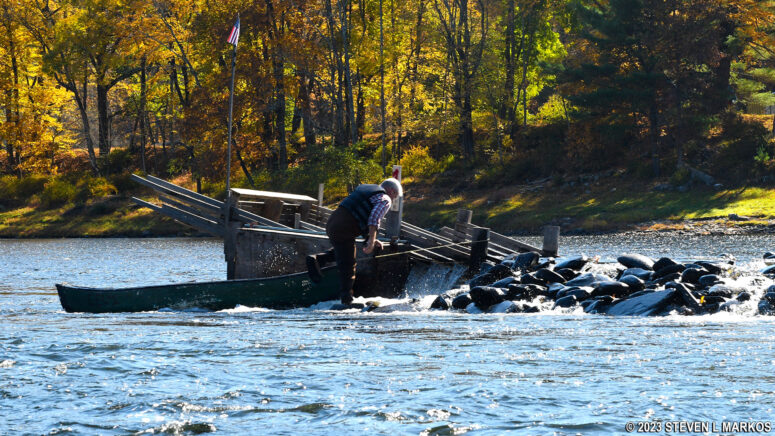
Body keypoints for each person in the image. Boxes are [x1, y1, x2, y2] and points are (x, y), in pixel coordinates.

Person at [306, 178, 403, 304]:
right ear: (391, 191)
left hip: (332, 223)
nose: (394, 199)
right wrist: (372, 241)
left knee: (344, 252)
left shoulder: (367, 190)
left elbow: (358, 214)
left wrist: (370, 239)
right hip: (344, 227)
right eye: (395, 196)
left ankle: (316, 259)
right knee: (349, 263)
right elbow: (374, 218)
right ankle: (347, 300)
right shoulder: (385, 198)